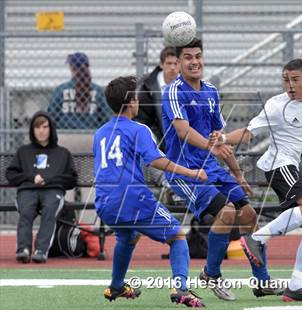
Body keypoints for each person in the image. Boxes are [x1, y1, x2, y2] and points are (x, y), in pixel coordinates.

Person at [161, 38, 283, 301]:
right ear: (179, 62)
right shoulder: (173, 92)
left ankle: (262, 281)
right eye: (188, 57)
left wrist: (238, 175)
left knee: (249, 214)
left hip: (211, 168)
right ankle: (211, 273)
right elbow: (182, 131)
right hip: (183, 171)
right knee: (227, 213)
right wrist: (210, 145)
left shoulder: (211, 92)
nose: (195, 62)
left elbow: (219, 140)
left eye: (198, 56)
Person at [210, 58, 302, 302]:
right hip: (279, 165)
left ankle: (296, 286)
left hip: (291, 166)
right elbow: (247, 133)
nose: (290, 85)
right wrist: (224, 138)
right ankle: (256, 238)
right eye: (286, 79)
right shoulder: (276, 106)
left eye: (296, 80)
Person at [94, 75, 205, 307]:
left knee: (127, 236)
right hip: (132, 199)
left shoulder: (100, 133)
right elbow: (155, 160)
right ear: (132, 102)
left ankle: (116, 286)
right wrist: (191, 173)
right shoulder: (138, 129)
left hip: (105, 202)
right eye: (136, 98)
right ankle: (181, 288)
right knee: (177, 235)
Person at [6, 111, 78, 264]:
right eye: (37, 127)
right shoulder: (23, 152)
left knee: (49, 211)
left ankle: (41, 250)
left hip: (53, 191)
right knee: (25, 211)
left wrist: (50, 180)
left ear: (51, 129)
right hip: (28, 190)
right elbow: (11, 175)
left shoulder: (63, 153)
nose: (41, 131)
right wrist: (31, 178)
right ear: (32, 130)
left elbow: (71, 179)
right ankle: (23, 250)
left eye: (45, 127)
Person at [48, 52, 112, 129]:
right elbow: (107, 118)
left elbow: (51, 116)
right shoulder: (98, 91)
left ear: (71, 68)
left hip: (65, 135)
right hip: (92, 135)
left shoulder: (61, 90)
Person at [134, 46, 179, 149]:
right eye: (169, 63)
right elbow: (142, 118)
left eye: (176, 63)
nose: (172, 67)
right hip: (157, 139)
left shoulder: (187, 85)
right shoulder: (147, 86)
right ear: (161, 65)